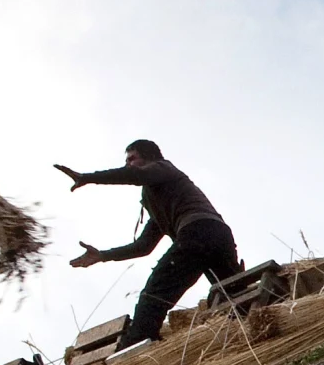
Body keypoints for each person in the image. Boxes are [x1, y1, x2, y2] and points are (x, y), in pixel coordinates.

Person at [57, 139, 242, 349]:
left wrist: (88, 178)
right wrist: (102, 255)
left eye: (132, 159)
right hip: (217, 235)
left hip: (197, 232)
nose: (128, 165)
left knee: (154, 296)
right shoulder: (157, 199)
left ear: (150, 157)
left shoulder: (164, 168)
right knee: (233, 292)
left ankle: (137, 348)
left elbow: (136, 176)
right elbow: (143, 246)